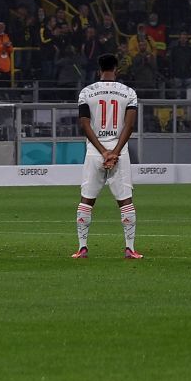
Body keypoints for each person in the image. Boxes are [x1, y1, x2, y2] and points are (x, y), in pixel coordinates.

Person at [73, 52, 142, 258]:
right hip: (119, 152)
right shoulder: (129, 92)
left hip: (95, 151)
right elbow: (129, 126)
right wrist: (115, 152)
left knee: (87, 200)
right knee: (126, 201)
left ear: (99, 70)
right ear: (117, 70)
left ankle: (82, 248)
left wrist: (103, 151)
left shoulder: (86, 92)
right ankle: (130, 248)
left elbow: (84, 123)